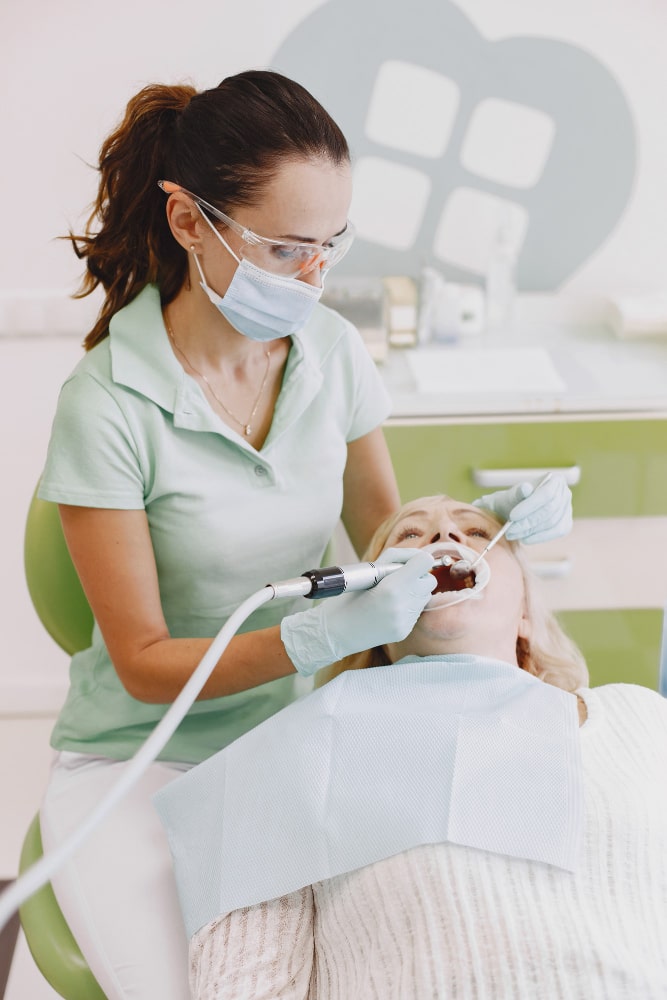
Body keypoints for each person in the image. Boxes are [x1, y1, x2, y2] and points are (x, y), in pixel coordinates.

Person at [36, 68, 573, 998]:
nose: (317, 277)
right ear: (189, 220)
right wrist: (307, 641)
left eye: (332, 245)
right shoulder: (107, 407)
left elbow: (383, 540)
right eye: (287, 250)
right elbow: (143, 663)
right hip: (146, 755)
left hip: (311, 729)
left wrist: (483, 536)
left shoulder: (330, 355)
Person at [155, 494, 667, 1000]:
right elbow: (248, 984)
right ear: (370, 609)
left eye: (478, 532)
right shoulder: (293, 755)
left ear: (526, 614)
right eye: (410, 535)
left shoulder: (638, 718)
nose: (446, 537)